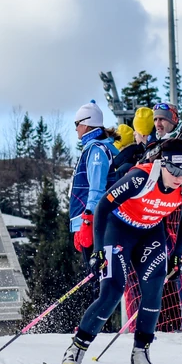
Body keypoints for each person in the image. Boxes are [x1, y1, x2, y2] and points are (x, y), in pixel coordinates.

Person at [59, 139, 182, 364]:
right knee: (112, 291)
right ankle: (77, 348)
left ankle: (140, 355)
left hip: (151, 232)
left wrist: (177, 254)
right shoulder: (140, 178)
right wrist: (98, 250)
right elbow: (103, 205)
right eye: (174, 169)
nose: (179, 176)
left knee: (154, 291)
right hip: (119, 230)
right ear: (162, 164)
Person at [69, 100, 118, 257]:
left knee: (98, 274)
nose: (76, 128)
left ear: (86, 124)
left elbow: (97, 188)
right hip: (88, 220)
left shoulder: (96, 150)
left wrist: (88, 221)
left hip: (95, 222)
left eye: (77, 123)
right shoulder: (91, 149)